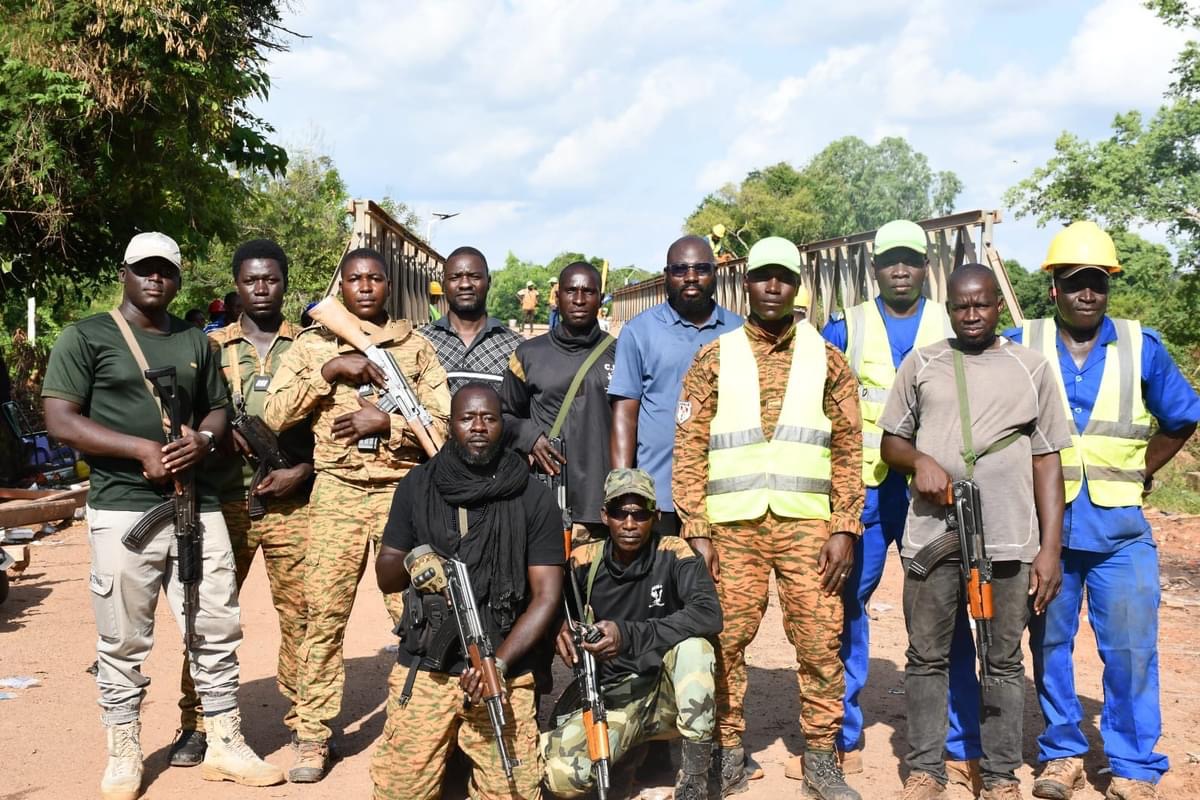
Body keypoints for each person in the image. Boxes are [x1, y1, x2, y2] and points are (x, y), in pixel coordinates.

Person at [42, 232, 285, 799]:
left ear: (178, 278)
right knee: (123, 638)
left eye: (166, 271)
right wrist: (140, 450)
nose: (155, 279)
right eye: (144, 270)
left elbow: (219, 408)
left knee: (216, 628)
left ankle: (225, 739)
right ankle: (123, 751)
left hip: (196, 506)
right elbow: (60, 419)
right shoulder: (86, 336)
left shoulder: (193, 341)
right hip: (123, 510)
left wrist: (202, 440)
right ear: (124, 273)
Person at [1008, 222, 1200, 800]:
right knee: (1049, 646)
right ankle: (1062, 753)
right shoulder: (1022, 343)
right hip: (1048, 536)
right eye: (1074, 283)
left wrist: (1144, 470)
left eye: (1097, 283)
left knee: (1132, 651)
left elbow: (1182, 415)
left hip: (1120, 533)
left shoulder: (1143, 345)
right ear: (1053, 289)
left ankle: (1134, 765)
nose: (1086, 294)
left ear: (1109, 285)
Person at [673, 236, 864, 800]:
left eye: (783, 276)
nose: (773, 286)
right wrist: (697, 531)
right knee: (724, 642)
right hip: (732, 530)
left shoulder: (827, 358)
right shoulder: (716, 355)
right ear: (747, 284)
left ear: (797, 284)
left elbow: (852, 447)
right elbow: (689, 446)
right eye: (762, 277)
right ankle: (728, 753)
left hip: (809, 528)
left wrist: (845, 525)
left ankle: (822, 761)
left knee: (819, 644)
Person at [878, 263, 1070, 800]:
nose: (971, 314)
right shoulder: (923, 363)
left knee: (1004, 659)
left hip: (1009, 538)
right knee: (926, 656)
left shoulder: (1030, 367)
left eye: (981, 304)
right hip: (932, 538)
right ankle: (925, 769)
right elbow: (890, 442)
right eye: (961, 305)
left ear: (997, 306)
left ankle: (1002, 775)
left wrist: (1049, 548)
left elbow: (1048, 460)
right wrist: (918, 460)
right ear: (948, 307)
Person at [263, 246, 450, 782]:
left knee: (414, 612)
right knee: (321, 617)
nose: (365, 287)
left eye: (374, 278)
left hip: (400, 493)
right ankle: (313, 735)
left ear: (388, 285)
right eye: (354, 279)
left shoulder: (415, 347)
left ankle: (419, 725)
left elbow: (439, 418)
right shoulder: (312, 344)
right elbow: (274, 414)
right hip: (337, 493)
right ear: (340, 288)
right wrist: (329, 370)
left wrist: (384, 424)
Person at [818, 220, 981, 788]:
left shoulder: (953, 319)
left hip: (934, 493)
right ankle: (842, 737)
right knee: (843, 609)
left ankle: (960, 746)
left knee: (947, 612)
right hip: (865, 490)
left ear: (925, 264)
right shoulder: (848, 326)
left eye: (912, 258)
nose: (902, 268)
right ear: (874, 267)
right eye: (891, 260)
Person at [370, 383, 563, 800]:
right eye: (467, 418)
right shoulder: (418, 486)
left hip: (501, 666)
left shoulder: (532, 495)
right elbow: (386, 575)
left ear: (501, 426)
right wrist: (417, 562)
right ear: (452, 424)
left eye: (489, 418)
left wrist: (500, 664)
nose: (478, 427)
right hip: (426, 668)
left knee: (513, 790)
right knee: (399, 792)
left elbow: (547, 596)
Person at [168, 239, 317, 775]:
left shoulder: (310, 346)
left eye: (271, 279)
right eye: (251, 280)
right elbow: (180, 416)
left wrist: (303, 470)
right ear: (237, 284)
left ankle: (306, 722)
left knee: (301, 616)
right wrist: (212, 438)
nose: (261, 288)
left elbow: (329, 425)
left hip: (291, 503)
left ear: (284, 282)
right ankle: (198, 722)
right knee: (204, 614)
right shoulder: (208, 348)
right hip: (221, 498)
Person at [543, 468, 723, 800]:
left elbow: (708, 613)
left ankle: (695, 779)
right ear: (604, 516)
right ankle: (628, 751)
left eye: (640, 513)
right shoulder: (583, 561)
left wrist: (628, 636)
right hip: (613, 697)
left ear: (655, 515)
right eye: (619, 512)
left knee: (696, 649)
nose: (629, 523)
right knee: (561, 777)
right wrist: (558, 625)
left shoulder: (674, 552)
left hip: (665, 693)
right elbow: (545, 600)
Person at [610, 234, 741, 538]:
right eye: (680, 269)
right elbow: (624, 414)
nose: (691, 277)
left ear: (715, 273)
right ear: (666, 276)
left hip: (724, 496)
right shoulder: (639, 331)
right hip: (659, 496)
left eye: (701, 268)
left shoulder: (739, 332)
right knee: (659, 584)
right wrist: (623, 486)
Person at [501, 261, 616, 544]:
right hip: (547, 502)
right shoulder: (528, 354)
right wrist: (529, 437)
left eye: (588, 291)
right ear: (558, 297)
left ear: (600, 298)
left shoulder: (621, 352)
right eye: (570, 291)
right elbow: (502, 415)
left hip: (604, 505)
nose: (579, 299)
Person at [418, 246, 523, 395]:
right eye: (455, 277)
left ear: (489, 282)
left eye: (474, 276)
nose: (465, 284)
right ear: (444, 285)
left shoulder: (516, 347)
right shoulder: (421, 343)